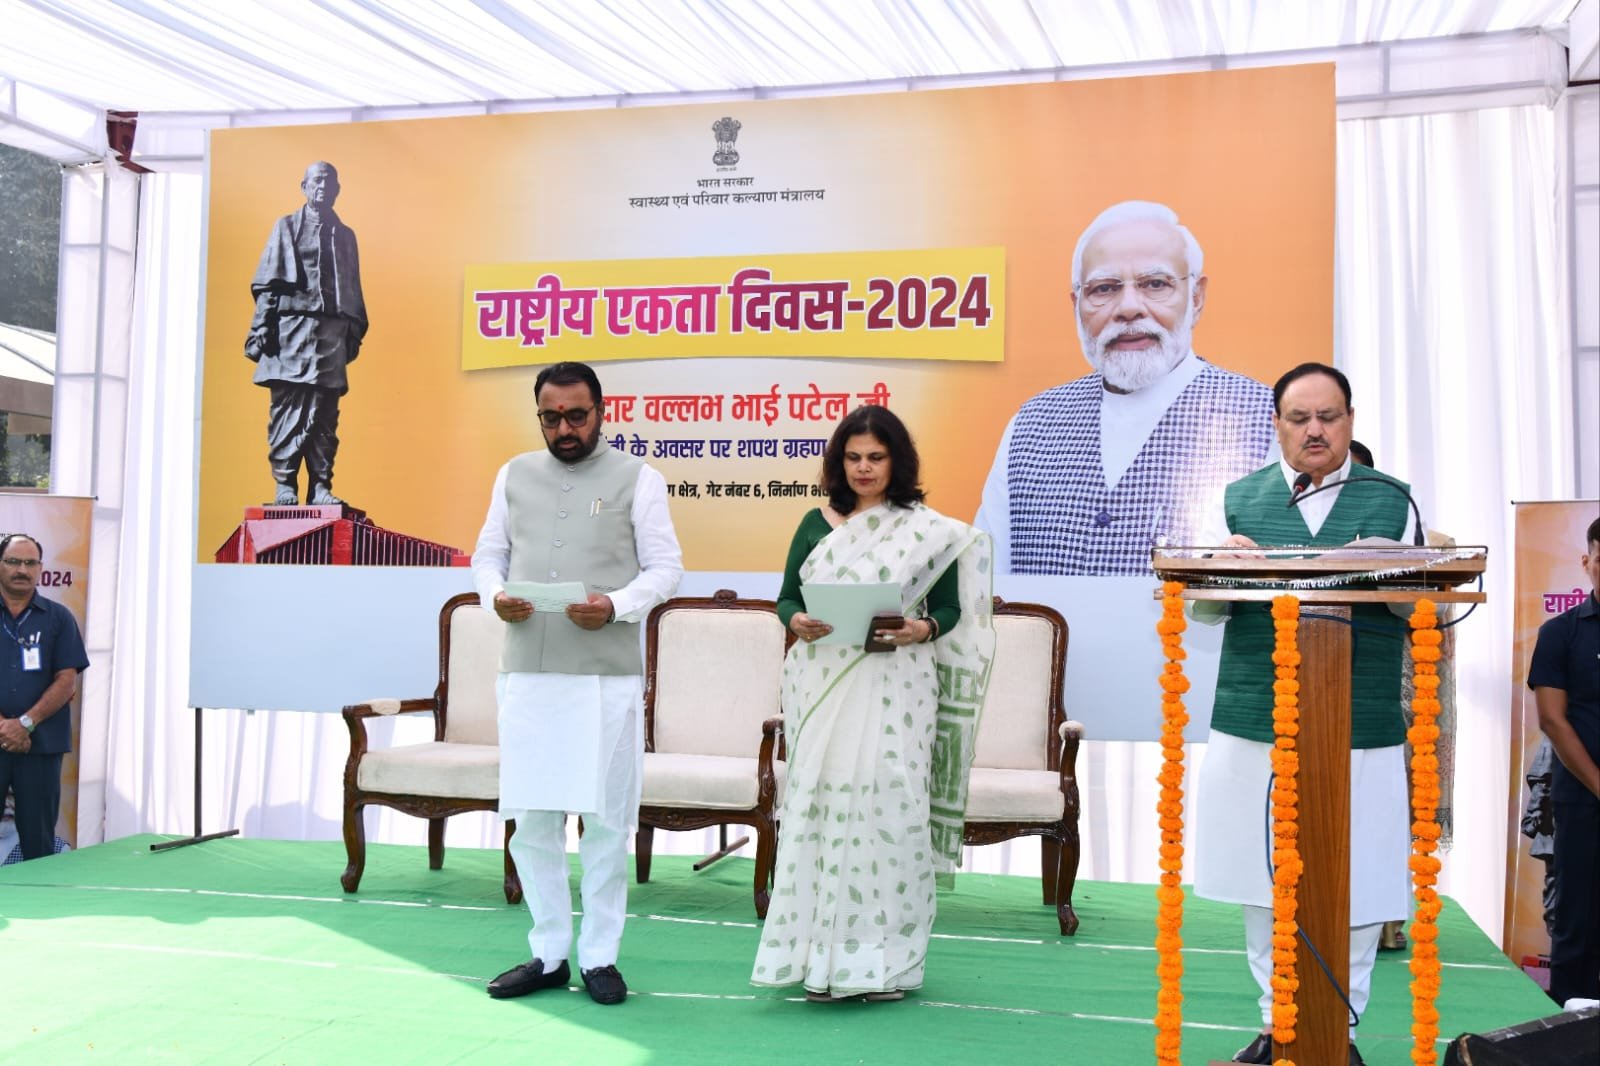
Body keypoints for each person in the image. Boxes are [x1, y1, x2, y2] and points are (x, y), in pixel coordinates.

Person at [1191, 364, 1415, 1066]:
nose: (1315, 430)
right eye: (1299, 418)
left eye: (1329, 416)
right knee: (1263, 877)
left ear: (1351, 419)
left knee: (1356, 876)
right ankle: (1276, 1023)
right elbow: (1200, 605)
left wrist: (1384, 568)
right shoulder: (1237, 499)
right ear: (1277, 425)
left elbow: (1415, 605)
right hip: (1255, 714)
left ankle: (1337, 1032)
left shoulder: (1392, 500)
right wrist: (1219, 565)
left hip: (1360, 719)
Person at [750, 405, 995, 1002]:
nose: (863, 469)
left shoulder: (928, 531)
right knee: (823, 808)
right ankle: (816, 960)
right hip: (824, 681)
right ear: (839, 461)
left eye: (876, 458)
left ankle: (885, 965)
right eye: (853, 457)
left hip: (897, 686)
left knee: (889, 810)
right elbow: (785, 599)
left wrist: (922, 631)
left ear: (897, 462)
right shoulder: (815, 523)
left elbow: (951, 610)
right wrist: (797, 620)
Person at [471, 361, 683, 1006]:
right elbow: (488, 555)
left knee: (605, 823)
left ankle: (600, 958)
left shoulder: (639, 480)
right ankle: (548, 953)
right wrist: (495, 597)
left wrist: (616, 606)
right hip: (528, 676)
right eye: (550, 416)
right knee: (533, 823)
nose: (563, 428)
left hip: (604, 678)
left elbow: (666, 569)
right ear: (538, 413)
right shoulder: (512, 474)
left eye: (576, 415)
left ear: (601, 411)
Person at [976, 200, 1274, 575]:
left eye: (1155, 284)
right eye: (1104, 289)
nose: (1129, 308)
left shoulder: (1265, 417)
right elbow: (985, 582)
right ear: (1077, 305)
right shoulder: (1031, 424)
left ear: (1196, 297)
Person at [246, 161, 368, 506]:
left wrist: (353, 331)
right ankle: (285, 484)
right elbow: (269, 284)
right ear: (304, 186)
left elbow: (354, 287)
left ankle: (320, 486)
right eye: (316, 181)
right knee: (288, 409)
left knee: (326, 414)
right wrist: (260, 329)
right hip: (291, 330)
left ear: (337, 190)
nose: (322, 187)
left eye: (329, 182)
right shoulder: (286, 226)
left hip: (331, 332)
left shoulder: (346, 236)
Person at [1527, 516, 1600, 1008]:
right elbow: (1552, 720)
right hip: (1582, 796)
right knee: (1577, 917)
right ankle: (1570, 1027)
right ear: (1588, 562)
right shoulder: (1561, 632)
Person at [0, 533, 90, 862]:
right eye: (13, 562)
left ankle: (39, 912)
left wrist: (25, 724)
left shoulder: (58, 618)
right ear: (0, 565)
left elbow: (67, 681)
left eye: (29, 563)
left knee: (38, 839)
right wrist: (4, 727)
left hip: (40, 746)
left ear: (40, 568)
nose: (21, 570)